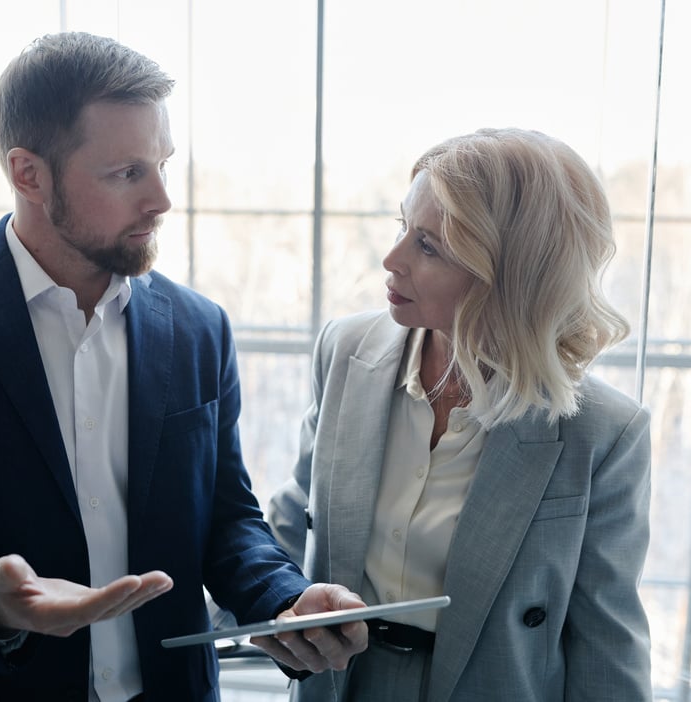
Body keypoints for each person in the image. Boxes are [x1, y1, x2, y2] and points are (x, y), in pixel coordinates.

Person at [0, 31, 366, 702]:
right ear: (29, 174)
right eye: (126, 172)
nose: (161, 199)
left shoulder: (199, 328)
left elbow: (226, 520)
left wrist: (284, 599)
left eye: (163, 164)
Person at [267, 128, 653, 701]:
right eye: (403, 226)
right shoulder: (346, 350)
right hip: (338, 686)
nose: (391, 259)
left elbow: (606, 641)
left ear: (511, 276)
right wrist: (273, 603)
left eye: (428, 246)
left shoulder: (602, 432)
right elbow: (292, 520)